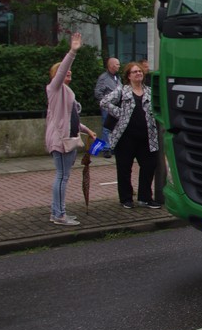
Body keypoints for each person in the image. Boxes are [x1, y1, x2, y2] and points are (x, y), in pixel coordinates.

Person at [46, 33, 98, 226]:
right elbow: (61, 72)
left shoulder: (67, 92)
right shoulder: (54, 89)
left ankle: (57, 212)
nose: (68, 72)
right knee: (62, 177)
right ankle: (59, 214)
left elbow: (72, 119)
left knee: (63, 176)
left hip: (68, 138)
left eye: (69, 70)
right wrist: (73, 52)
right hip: (61, 141)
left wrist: (87, 131)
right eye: (64, 71)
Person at [101, 61, 160, 209]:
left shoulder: (149, 91)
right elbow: (104, 102)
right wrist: (119, 112)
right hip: (126, 137)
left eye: (140, 71)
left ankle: (145, 198)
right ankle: (126, 199)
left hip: (147, 136)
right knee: (124, 168)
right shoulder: (122, 90)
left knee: (149, 165)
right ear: (129, 76)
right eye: (134, 72)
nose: (138, 74)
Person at [94, 57, 121, 153]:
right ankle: (106, 148)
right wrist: (106, 102)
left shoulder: (117, 77)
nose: (119, 66)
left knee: (115, 127)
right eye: (117, 64)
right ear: (111, 66)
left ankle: (112, 146)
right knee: (107, 127)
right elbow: (98, 92)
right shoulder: (103, 78)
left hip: (116, 106)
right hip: (107, 106)